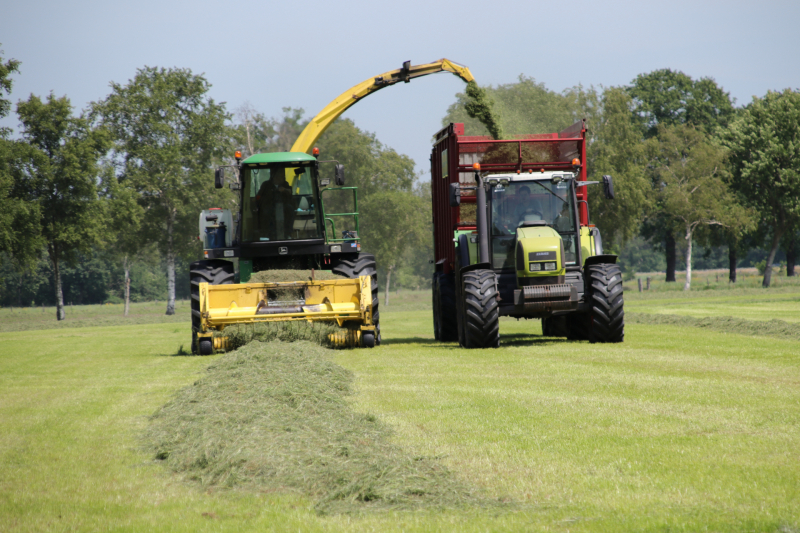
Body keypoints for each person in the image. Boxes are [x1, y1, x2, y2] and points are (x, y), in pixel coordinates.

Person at [256, 169, 295, 240]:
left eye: (281, 177)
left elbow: (290, 193)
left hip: (284, 205)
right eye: (277, 176)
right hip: (269, 205)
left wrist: (285, 190)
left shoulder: (285, 184)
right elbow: (259, 196)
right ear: (273, 177)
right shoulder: (266, 185)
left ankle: (288, 232)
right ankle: (266, 233)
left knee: (290, 209)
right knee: (265, 212)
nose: (279, 178)